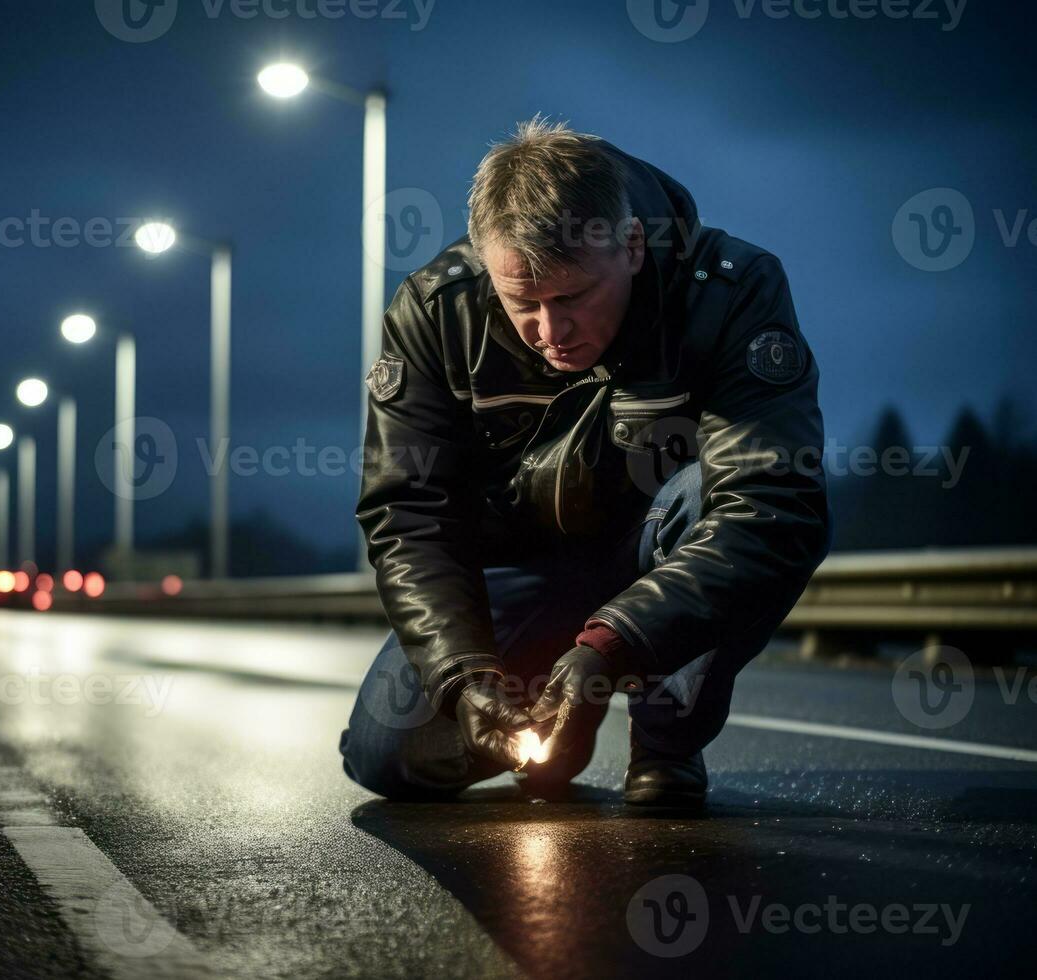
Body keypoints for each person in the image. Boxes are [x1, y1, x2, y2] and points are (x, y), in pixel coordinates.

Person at [339, 118, 833, 808]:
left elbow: (771, 503)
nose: (550, 332)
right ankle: (554, 714)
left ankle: (666, 743)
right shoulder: (433, 310)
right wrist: (464, 675)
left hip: (656, 548)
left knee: (710, 497)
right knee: (386, 757)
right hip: (524, 563)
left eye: (571, 297)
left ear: (631, 245)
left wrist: (612, 643)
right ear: (487, 264)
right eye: (523, 305)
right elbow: (408, 509)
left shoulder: (730, 289)